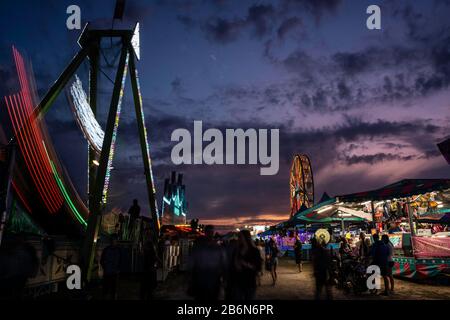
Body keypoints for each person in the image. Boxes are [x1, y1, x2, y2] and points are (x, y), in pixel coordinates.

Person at [189, 225, 226, 301]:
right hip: (203, 280)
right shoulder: (199, 247)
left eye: (211, 232)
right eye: (209, 232)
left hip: (211, 280)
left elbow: (223, 263)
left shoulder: (217, 247)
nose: (210, 234)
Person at [230, 230, 262, 300]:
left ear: (246, 238)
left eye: (240, 237)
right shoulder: (237, 250)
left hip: (249, 282)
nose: (238, 239)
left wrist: (246, 264)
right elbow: (232, 266)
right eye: (238, 237)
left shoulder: (254, 251)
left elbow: (258, 267)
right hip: (238, 282)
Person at [100, 235, 122, 300]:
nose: (116, 242)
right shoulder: (117, 250)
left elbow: (102, 260)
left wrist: (105, 267)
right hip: (110, 271)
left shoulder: (107, 250)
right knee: (110, 287)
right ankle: (109, 296)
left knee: (110, 287)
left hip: (111, 271)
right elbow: (102, 260)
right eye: (115, 240)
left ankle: (108, 296)